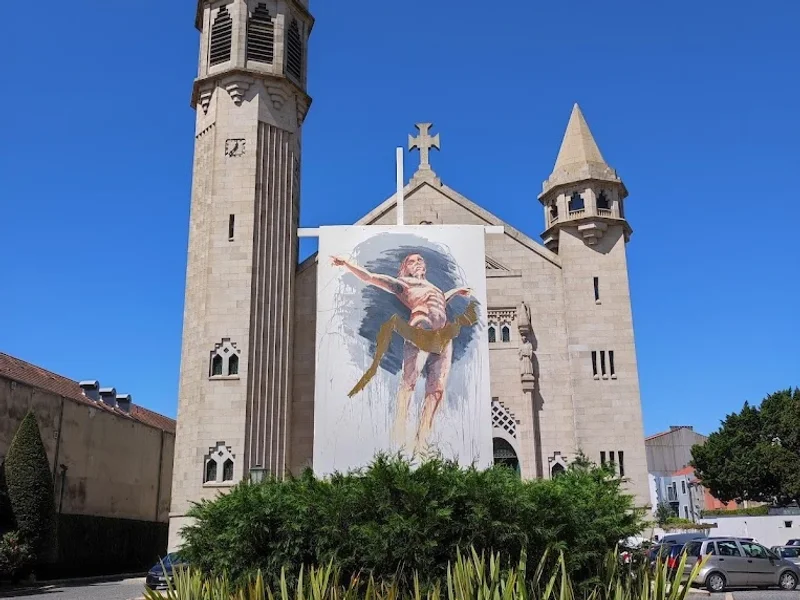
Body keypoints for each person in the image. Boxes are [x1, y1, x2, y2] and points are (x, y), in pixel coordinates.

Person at [331, 253, 476, 452]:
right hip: (421, 328)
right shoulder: (403, 284)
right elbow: (369, 277)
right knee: (410, 381)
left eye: (420, 260)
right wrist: (346, 264)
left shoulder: (435, 289)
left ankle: (423, 438)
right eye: (412, 261)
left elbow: (441, 300)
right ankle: (399, 431)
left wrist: (456, 291)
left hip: (442, 335)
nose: (417, 263)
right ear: (405, 268)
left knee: (436, 388)